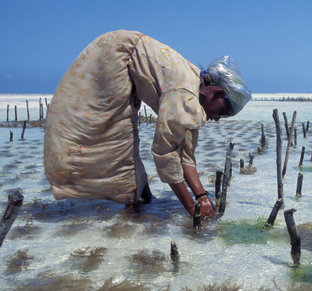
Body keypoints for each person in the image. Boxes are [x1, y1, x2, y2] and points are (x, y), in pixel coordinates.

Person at [43, 30, 251, 219]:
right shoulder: (185, 96)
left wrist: (202, 197)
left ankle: (141, 204)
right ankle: (133, 209)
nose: (216, 119)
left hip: (123, 51)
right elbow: (165, 155)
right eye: (222, 112)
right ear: (218, 93)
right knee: (117, 140)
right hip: (116, 56)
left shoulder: (195, 91)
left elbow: (185, 155)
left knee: (128, 140)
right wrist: (191, 209)